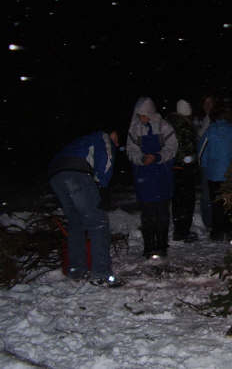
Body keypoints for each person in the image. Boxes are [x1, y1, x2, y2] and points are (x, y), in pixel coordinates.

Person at [48, 130, 124, 287]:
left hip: (56, 174)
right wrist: (102, 186)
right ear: (113, 134)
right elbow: (106, 161)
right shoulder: (103, 137)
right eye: (116, 140)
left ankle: (77, 271)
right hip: (77, 172)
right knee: (98, 222)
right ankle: (101, 274)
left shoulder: (82, 141)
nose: (116, 144)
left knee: (76, 222)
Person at [126, 97, 178, 259]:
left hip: (162, 175)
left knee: (162, 213)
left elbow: (172, 147)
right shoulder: (135, 129)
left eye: (143, 115)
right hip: (144, 177)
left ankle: (161, 246)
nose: (141, 118)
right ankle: (149, 247)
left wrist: (157, 157)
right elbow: (131, 150)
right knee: (147, 214)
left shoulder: (164, 127)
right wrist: (141, 159)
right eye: (139, 115)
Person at [198, 98, 232, 241]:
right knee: (229, 203)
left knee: (216, 203)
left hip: (214, 174)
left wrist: (204, 166)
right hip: (230, 174)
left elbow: (202, 152)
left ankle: (217, 232)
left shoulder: (210, 131)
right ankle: (229, 230)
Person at [167, 99, 199, 243]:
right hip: (185, 168)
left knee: (177, 200)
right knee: (187, 200)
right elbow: (189, 148)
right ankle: (183, 231)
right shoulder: (185, 126)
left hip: (173, 167)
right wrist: (192, 161)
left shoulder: (169, 123)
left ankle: (178, 229)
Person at [193, 94, 215, 230]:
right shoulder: (199, 120)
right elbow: (198, 138)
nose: (208, 105)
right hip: (205, 162)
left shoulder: (217, 119)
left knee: (216, 192)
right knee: (206, 193)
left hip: (217, 162)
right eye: (205, 103)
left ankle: (216, 220)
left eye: (210, 102)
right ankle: (208, 222)